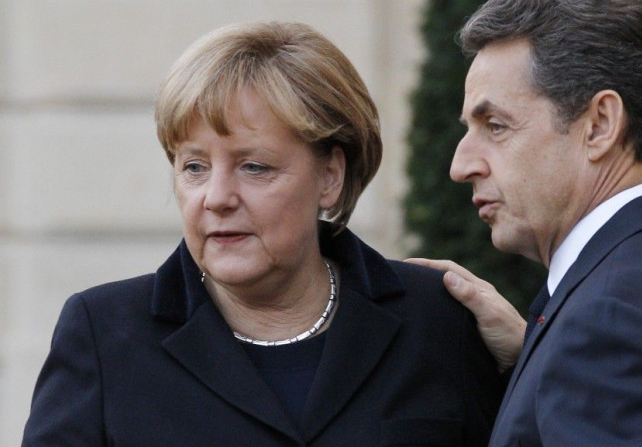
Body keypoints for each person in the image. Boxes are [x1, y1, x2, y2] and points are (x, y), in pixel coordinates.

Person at [23, 22, 503, 445]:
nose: (216, 197)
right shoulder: (104, 333)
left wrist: (532, 353)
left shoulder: (434, 320)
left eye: (254, 167)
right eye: (194, 167)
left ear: (330, 176)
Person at [409, 0, 642, 445]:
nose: (461, 166)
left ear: (600, 125)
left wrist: (574, 347)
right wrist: (538, 354)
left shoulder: (611, 317)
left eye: (496, 126)